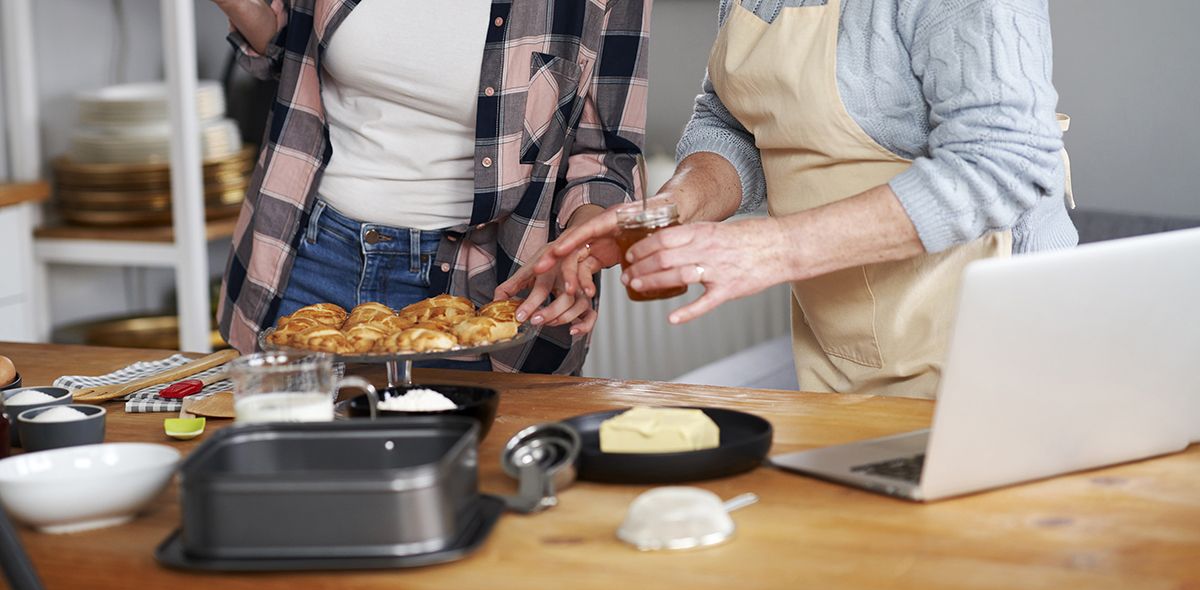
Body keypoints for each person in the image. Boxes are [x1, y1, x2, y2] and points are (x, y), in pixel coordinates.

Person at [498, 0, 1077, 397]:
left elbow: (1006, 162)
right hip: (842, 354)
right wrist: (666, 211)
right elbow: (731, 125)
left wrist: (775, 248)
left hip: (994, 351)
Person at [210, 0, 649, 374]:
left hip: (487, 290)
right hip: (309, 260)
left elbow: (608, 155)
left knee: (472, 470)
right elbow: (287, 48)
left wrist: (580, 243)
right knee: (298, 470)